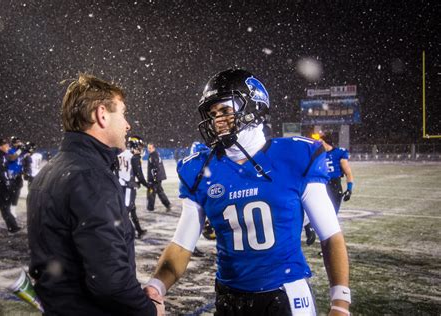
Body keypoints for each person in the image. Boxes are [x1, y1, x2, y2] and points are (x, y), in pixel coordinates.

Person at [144, 69, 351, 315]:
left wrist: (340, 302)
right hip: (229, 298)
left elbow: (330, 236)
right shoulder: (200, 169)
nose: (216, 120)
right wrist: (156, 286)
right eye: (212, 114)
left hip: (285, 293)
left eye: (224, 110)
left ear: (253, 106)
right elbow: (181, 246)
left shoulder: (294, 157)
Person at [27, 73, 164, 315]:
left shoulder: (50, 170)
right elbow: (110, 281)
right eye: (122, 113)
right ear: (101, 114)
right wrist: (148, 310)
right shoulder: (90, 176)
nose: (127, 124)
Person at [117, 136, 148, 239]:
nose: (140, 148)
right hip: (128, 188)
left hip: (121, 185)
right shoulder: (134, 157)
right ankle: (122, 234)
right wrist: (147, 184)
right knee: (126, 211)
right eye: (139, 146)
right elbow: (139, 174)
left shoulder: (121, 154)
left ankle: (139, 230)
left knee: (132, 209)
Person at [316, 132, 354, 214]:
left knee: (331, 215)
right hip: (320, 186)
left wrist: (349, 189)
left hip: (334, 187)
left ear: (324, 142)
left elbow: (348, 173)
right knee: (317, 215)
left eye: (320, 142)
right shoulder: (318, 154)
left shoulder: (339, 153)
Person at [146, 143, 171, 212]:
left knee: (153, 191)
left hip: (156, 178)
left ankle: (151, 207)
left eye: (150, 148)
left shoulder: (154, 155)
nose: (149, 149)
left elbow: (156, 167)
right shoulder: (154, 154)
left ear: (154, 148)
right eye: (148, 148)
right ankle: (167, 204)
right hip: (157, 177)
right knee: (157, 191)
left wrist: (154, 178)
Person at [6, 136, 26, 218]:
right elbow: (12, 158)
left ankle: (13, 211)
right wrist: (20, 150)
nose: (19, 143)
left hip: (18, 175)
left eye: (19, 142)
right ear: (13, 143)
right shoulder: (9, 150)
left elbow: (25, 158)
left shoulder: (20, 151)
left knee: (16, 194)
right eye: (17, 142)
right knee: (10, 194)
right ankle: (7, 211)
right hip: (11, 175)